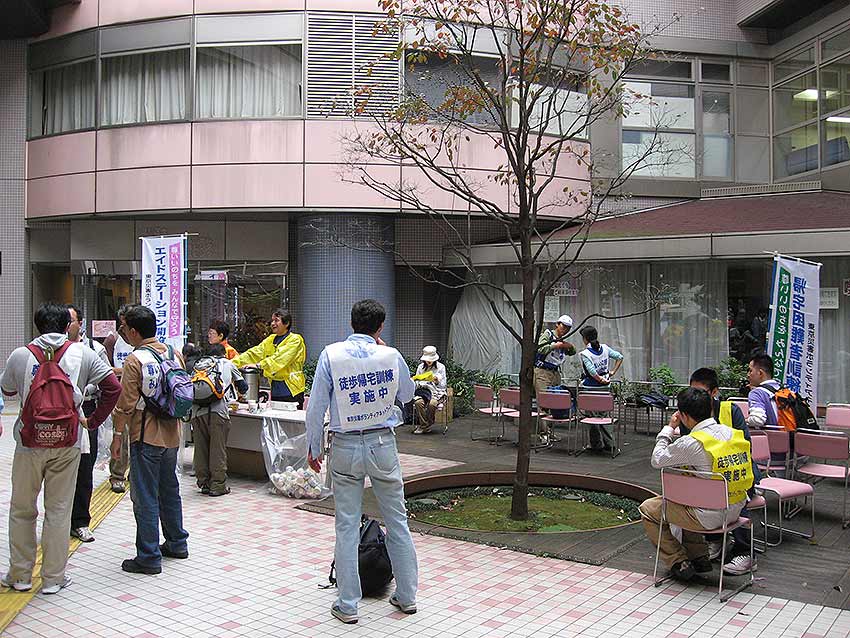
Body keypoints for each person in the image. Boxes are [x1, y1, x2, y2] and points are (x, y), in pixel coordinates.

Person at [305, 300, 418, 625]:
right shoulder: (391, 355)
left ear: (352, 323)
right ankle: (407, 596)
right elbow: (407, 394)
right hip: (382, 444)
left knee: (346, 524)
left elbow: (316, 406)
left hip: (345, 446)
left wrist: (314, 447)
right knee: (397, 521)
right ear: (380, 327)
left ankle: (348, 604)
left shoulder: (331, 355)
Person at [0, 303, 120, 594]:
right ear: (68, 326)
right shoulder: (84, 353)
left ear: (37, 325)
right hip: (68, 442)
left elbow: (7, 390)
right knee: (59, 510)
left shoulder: (21, 354)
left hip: (29, 442)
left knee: (22, 509)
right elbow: (113, 387)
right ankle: (53, 579)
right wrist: (92, 421)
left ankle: (20, 575)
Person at [639, 387, 753, 583]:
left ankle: (678, 561)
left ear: (683, 415)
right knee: (685, 501)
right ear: (710, 409)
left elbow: (657, 460)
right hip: (736, 509)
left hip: (708, 517)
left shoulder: (691, 443)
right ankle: (699, 558)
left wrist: (668, 429)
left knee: (648, 509)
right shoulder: (733, 434)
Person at [111, 306, 189, 575]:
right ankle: (177, 543)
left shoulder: (135, 360)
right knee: (169, 490)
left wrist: (117, 437)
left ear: (134, 331)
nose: (123, 333)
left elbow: (126, 405)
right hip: (173, 434)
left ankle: (148, 556)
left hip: (145, 435)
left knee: (144, 495)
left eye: (124, 329)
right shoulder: (173, 353)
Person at [687, 367, 760, 575]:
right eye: (693, 392)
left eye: (701, 393)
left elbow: (745, 448)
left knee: (734, 493)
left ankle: (745, 551)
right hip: (706, 475)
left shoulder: (730, 410)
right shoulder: (689, 413)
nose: (696, 398)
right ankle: (714, 539)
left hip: (738, 473)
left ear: (714, 392)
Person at [66, 304, 111, 544]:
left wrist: (84, 388)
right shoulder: (53, 350)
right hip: (60, 413)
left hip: (86, 411)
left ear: (80, 323)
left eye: (70, 320)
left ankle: (80, 522)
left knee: (84, 469)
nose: (65, 325)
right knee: (59, 469)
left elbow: (108, 383)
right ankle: (60, 520)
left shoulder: (95, 349)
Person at [190, 343, 248, 496]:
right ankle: (217, 485)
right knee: (217, 449)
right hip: (218, 412)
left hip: (196, 412)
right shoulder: (228, 364)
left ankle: (203, 483)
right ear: (224, 354)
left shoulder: (199, 366)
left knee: (200, 449)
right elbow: (243, 387)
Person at [233, 309, 306, 408]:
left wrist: (259, 365)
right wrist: (232, 364)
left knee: (290, 416)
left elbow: (280, 359)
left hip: (292, 390)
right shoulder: (270, 339)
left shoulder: (295, 340)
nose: (272, 323)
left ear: (287, 323)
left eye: (276, 320)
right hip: (276, 389)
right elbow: (253, 354)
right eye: (272, 321)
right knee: (275, 416)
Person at [103, 304, 136, 493]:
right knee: (120, 434)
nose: (125, 325)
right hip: (119, 394)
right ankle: (117, 475)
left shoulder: (140, 339)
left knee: (137, 434)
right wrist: (127, 370)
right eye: (123, 321)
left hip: (138, 394)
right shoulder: (112, 339)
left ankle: (135, 472)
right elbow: (105, 368)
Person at [578, 325, 623, 452]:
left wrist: (599, 379)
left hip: (590, 388)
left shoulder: (585, 354)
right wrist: (612, 372)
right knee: (604, 415)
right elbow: (620, 357)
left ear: (585, 339)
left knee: (592, 417)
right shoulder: (605, 348)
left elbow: (592, 371)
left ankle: (596, 444)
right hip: (605, 388)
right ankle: (610, 443)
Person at [534, 315, 576, 439]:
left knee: (554, 402)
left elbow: (572, 351)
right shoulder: (548, 335)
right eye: (563, 326)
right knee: (544, 403)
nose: (565, 329)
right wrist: (555, 346)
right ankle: (543, 434)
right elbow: (540, 349)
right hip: (543, 372)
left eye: (568, 328)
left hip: (555, 372)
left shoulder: (562, 340)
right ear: (557, 324)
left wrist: (568, 347)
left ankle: (550, 432)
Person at [745, 353, 786, 474]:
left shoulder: (757, 393)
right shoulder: (784, 391)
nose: (748, 374)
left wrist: (744, 420)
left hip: (768, 456)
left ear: (760, 373)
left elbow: (758, 420)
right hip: (791, 455)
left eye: (750, 370)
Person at [412, 346, 447, 435]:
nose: (429, 361)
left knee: (432, 404)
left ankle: (425, 425)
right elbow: (416, 382)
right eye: (427, 359)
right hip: (424, 392)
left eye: (431, 359)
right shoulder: (420, 367)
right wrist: (418, 381)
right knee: (418, 403)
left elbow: (443, 384)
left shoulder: (441, 367)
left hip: (436, 392)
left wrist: (436, 380)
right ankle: (425, 425)